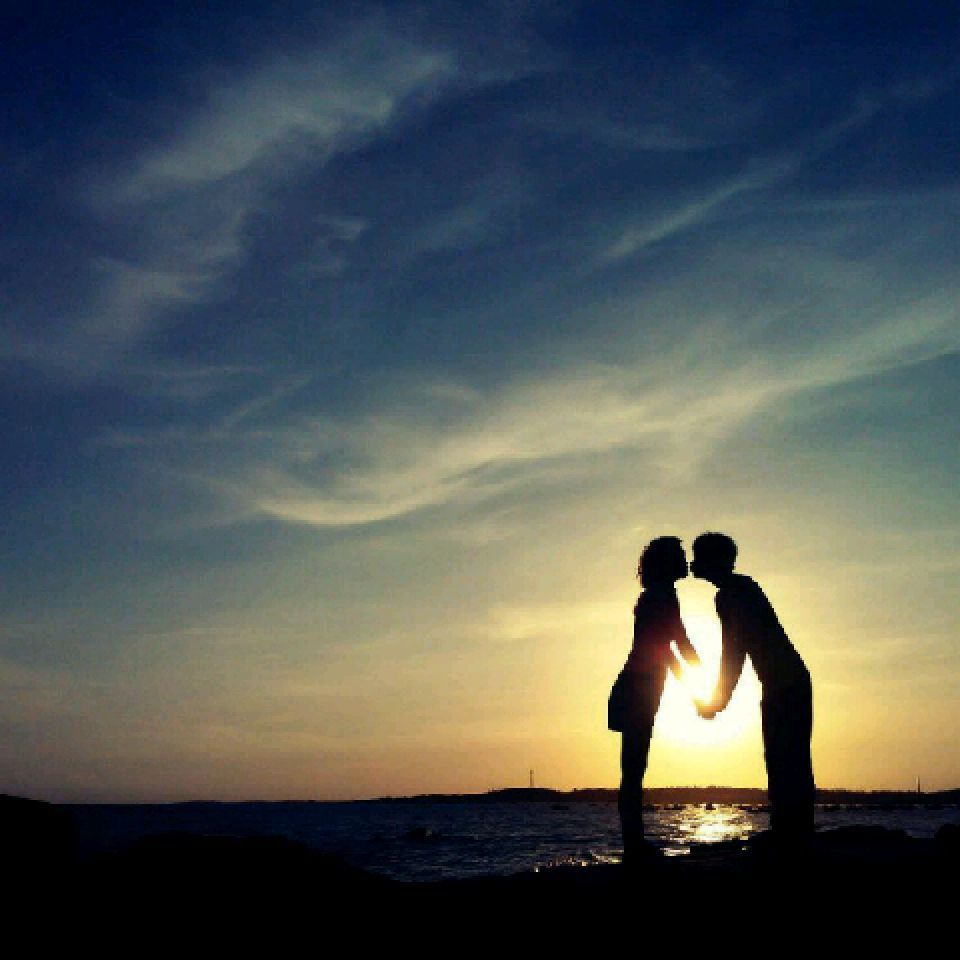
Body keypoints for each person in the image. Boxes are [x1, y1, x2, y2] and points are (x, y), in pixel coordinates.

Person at [691, 532, 815, 841]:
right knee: (786, 756)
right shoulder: (740, 588)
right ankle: (791, 828)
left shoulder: (732, 594)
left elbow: (734, 651)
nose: (693, 563)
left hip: (785, 684)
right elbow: (736, 650)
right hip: (784, 682)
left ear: (714, 560)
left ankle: (791, 832)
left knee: (785, 756)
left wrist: (718, 701)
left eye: (698, 556)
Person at [609, 536, 700, 863]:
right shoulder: (662, 596)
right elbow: (676, 644)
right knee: (634, 769)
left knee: (633, 769)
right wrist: (705, 682)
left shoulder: (655, 595)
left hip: (639, 684)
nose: (686, 562)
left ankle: (634, 844)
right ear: (667, 562)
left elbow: (669, 649)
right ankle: (634, 847)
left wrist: (696, 683)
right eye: (680, 556)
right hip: (639, 686)